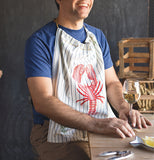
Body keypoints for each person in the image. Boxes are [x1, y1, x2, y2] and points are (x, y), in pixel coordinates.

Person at [24, 0, 152, 159]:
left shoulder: (97, 36)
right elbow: (42, 100)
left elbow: (111, 83)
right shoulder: (40, 41)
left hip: (103, 124)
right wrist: (95, 124)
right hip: (55, 132)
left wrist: (123, 108)